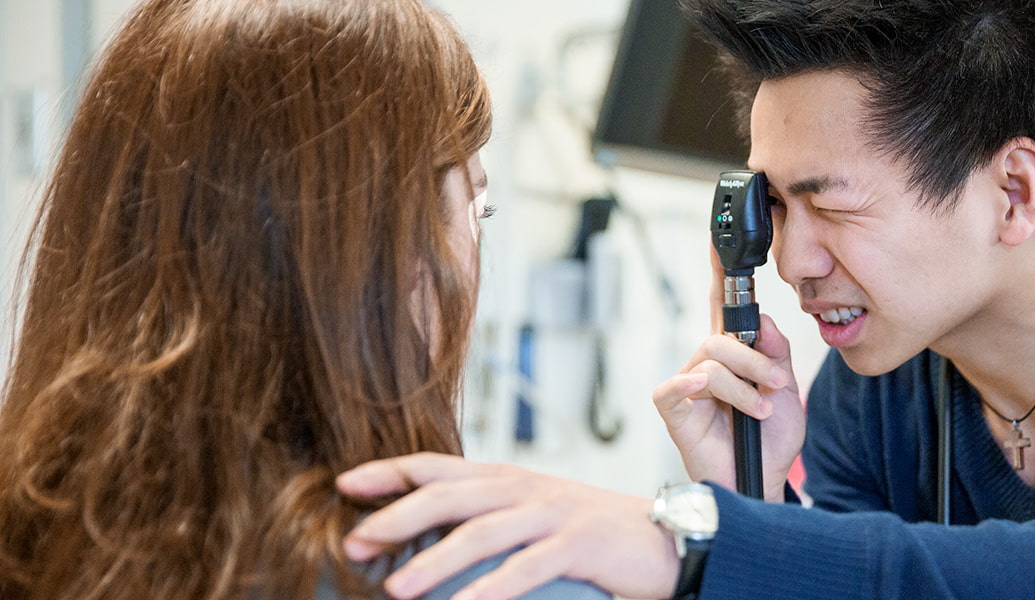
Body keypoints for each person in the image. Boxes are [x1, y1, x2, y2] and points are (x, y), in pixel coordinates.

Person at [335, 0, 1035, 598]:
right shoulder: (877, 390)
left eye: (830, 206)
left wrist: (697, 540)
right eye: (774, 207)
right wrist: (758, 494)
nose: (795, 261)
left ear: (1011, 190)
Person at [0, 1, 607, 599]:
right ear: (394, 252)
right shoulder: (498, 581)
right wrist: (691, 542)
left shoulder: (29, 533)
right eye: (475, 209)